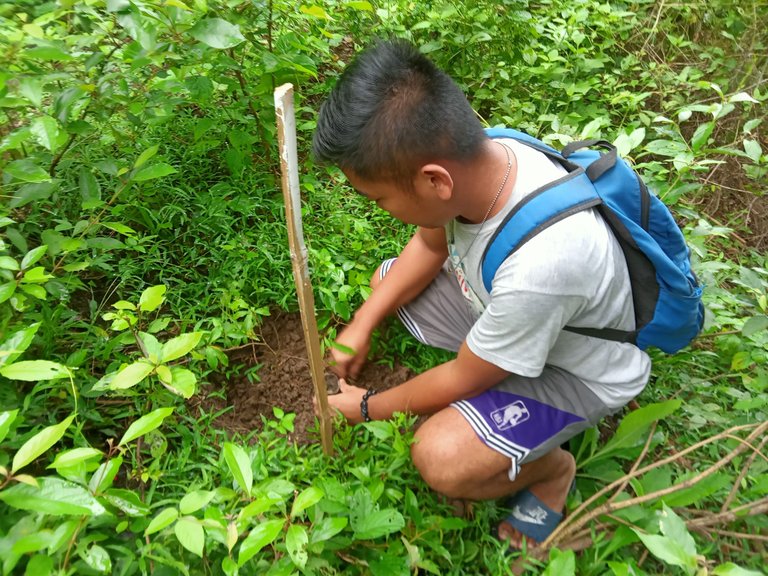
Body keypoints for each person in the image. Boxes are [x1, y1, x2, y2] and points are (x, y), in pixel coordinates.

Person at [311, 38, 650, 548]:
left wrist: (366, 408)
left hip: (576, 368)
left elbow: (465, 375)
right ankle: (497, 371)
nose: (377, 209)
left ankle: (551, 472)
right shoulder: (487, 158)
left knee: (441, 456)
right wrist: (362, 322)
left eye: (378, 198)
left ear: (434, 181)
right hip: (504, 307)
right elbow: (430, 242)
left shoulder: (544, 265)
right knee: (388, 284)